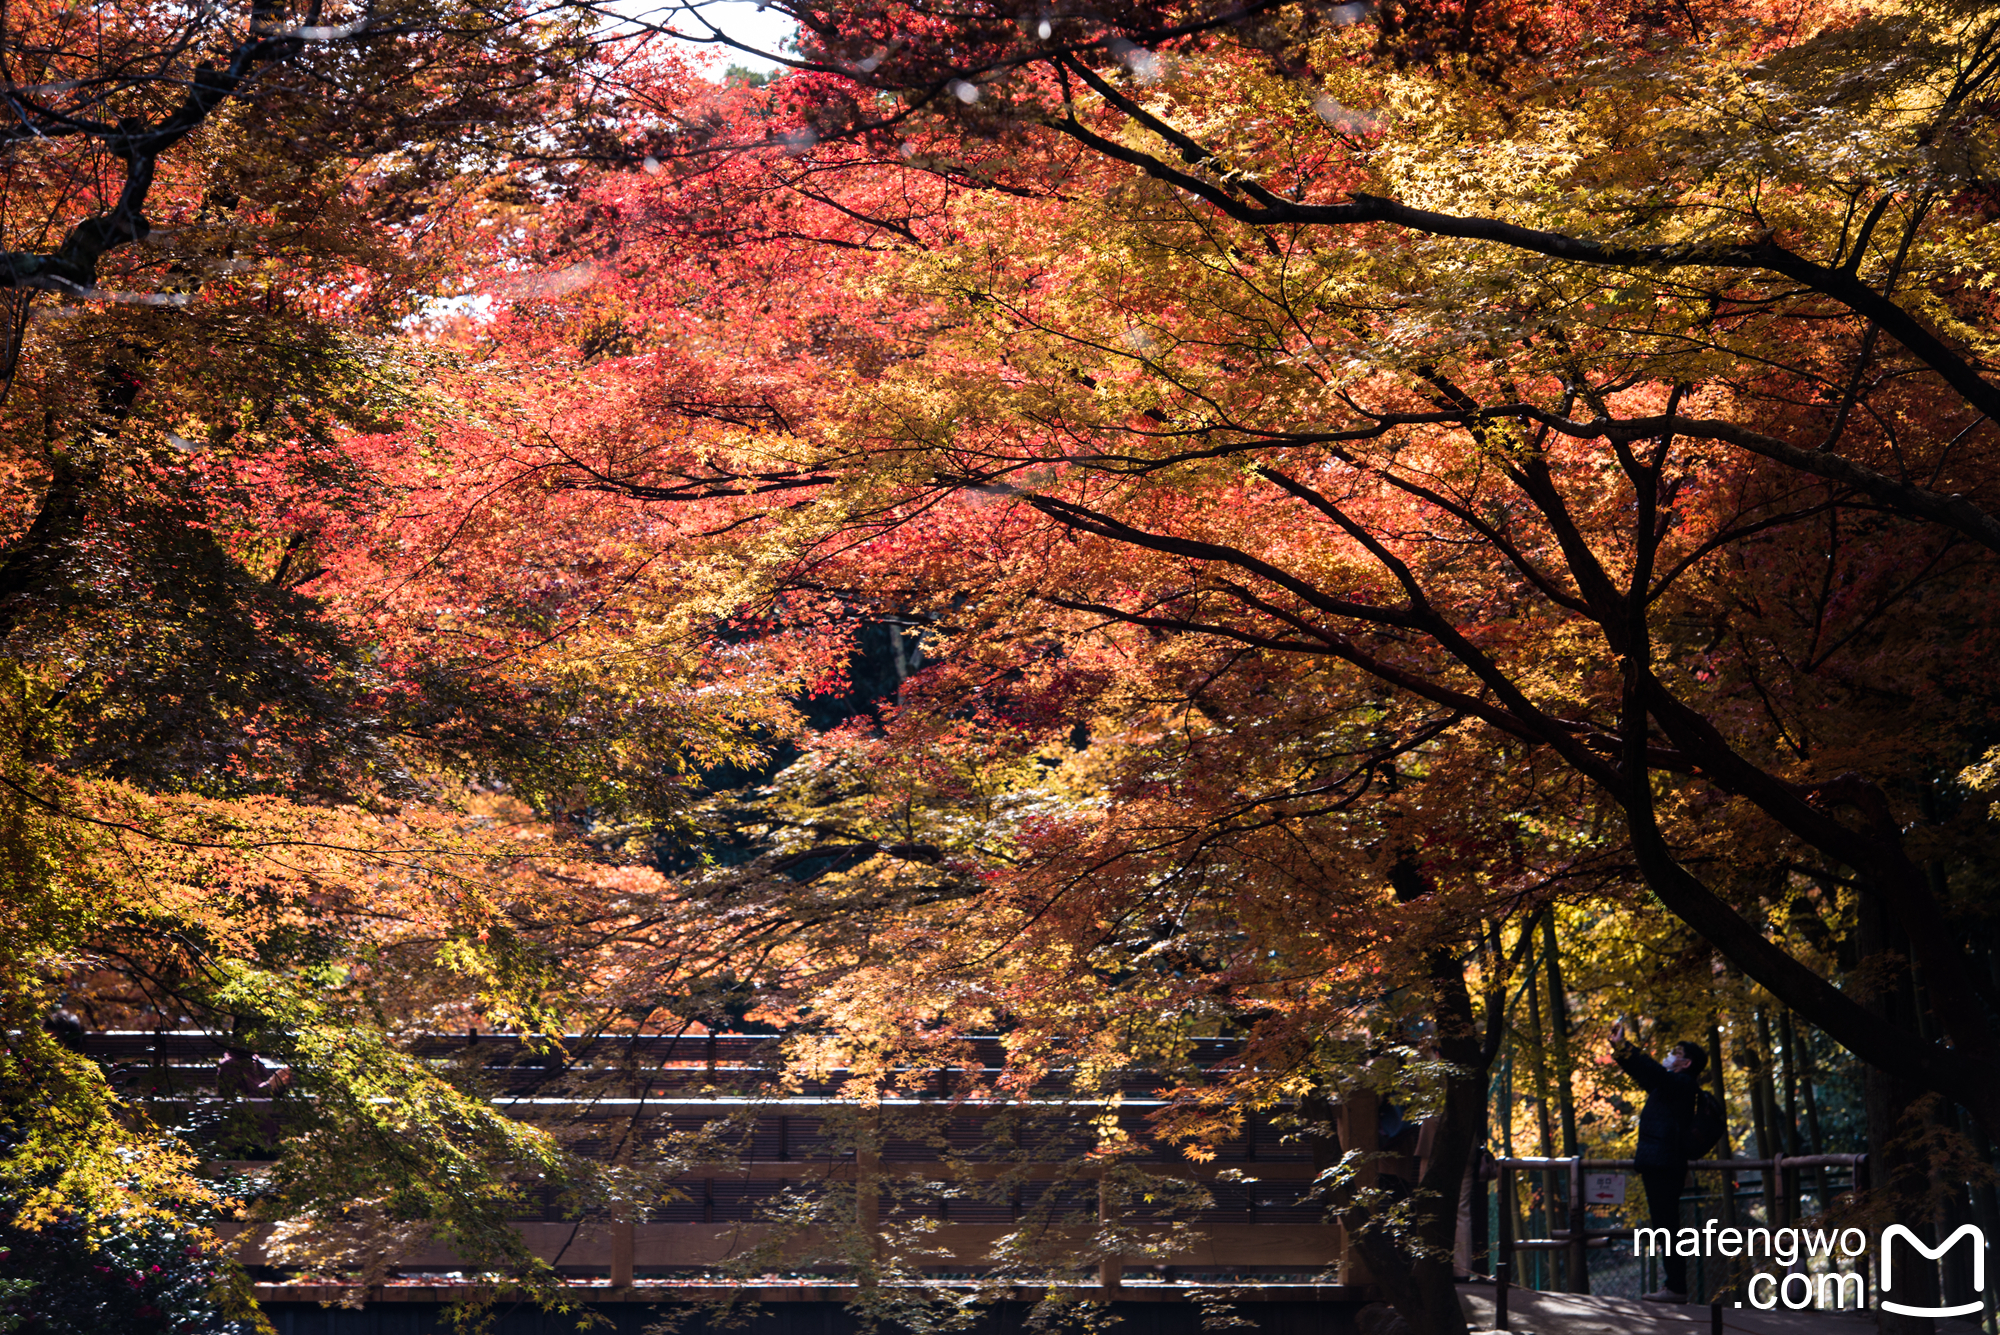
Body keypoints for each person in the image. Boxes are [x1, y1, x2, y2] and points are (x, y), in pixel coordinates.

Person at [1609, 1019, 1707, 1303]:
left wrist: (1625, 1046)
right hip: (1660, 1163)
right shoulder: (1670, 1086)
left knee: (1667, 1227)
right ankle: (1674, 1286)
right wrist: (1620, 1051)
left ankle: (1675, 1287)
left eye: (1675, 1053)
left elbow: (1651, 1071)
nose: (1669, 1055)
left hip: (1664, 1164)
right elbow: (1644, 1073)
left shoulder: (1682, 1085)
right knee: (1665, 1226)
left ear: (1686, 1063)